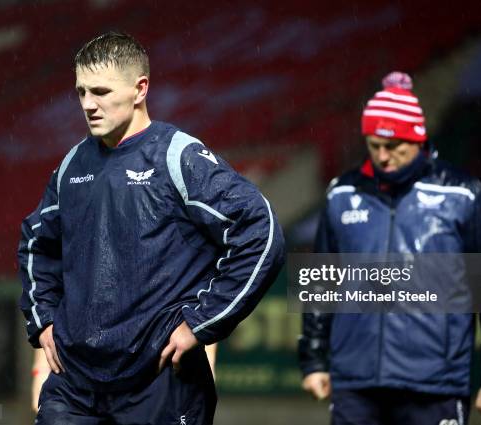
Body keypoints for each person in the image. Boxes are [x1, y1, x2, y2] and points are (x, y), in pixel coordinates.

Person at [18, 31, 285, 424]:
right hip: (74, 383)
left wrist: (201, 322)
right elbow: (35, 244)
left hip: (159, 382)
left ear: (140, 88)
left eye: (101, 91)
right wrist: (43, 321)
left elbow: (261, 232)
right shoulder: (72, 165)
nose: (88, 105)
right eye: (81, 92)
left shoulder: (178, 157)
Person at [298, 72, 481, 424]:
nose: (383, 156)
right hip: (356, 383)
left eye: (394, 146)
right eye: (374, 145)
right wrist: (312, 359)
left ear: (418, 138)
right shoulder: (341, 193)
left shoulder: (464, 195)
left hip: (435, 385)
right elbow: (321, 282)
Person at [30, 344, 219, 412]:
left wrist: (207, 357)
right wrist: (41, 367)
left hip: (158, 372)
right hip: (81, 372)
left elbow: (204, 271)